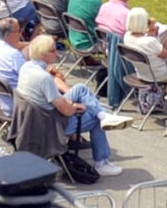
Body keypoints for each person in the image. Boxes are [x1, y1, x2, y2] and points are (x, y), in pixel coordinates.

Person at [17, 35, 120, 176]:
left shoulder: (26, 67)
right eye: (53, 51)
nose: (57, 53)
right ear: (42, 54)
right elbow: (66, 111)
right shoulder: (44, 78)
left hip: (36, 117)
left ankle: (102, 114)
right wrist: (75, 106)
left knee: (79, 88)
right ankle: (101, 162)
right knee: (95, 121)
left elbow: (55, 100)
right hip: (52, 125)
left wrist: (71, 103)